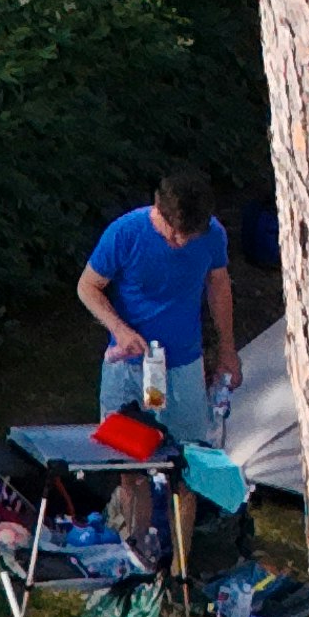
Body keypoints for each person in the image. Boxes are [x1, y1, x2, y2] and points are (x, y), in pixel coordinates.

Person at [80, 164, 237, 577]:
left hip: (182, 366)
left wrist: (227, 350)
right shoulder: (126, 233)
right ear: (158, 210)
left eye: (191, 235)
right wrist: (119, 330)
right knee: (130, 467)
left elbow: (218, 286)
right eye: (175, 233)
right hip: (128, 367)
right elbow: (87, 286)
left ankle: (181, 569)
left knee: (186, 466)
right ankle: (137, 559)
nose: (182, 242)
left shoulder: (211, 235)